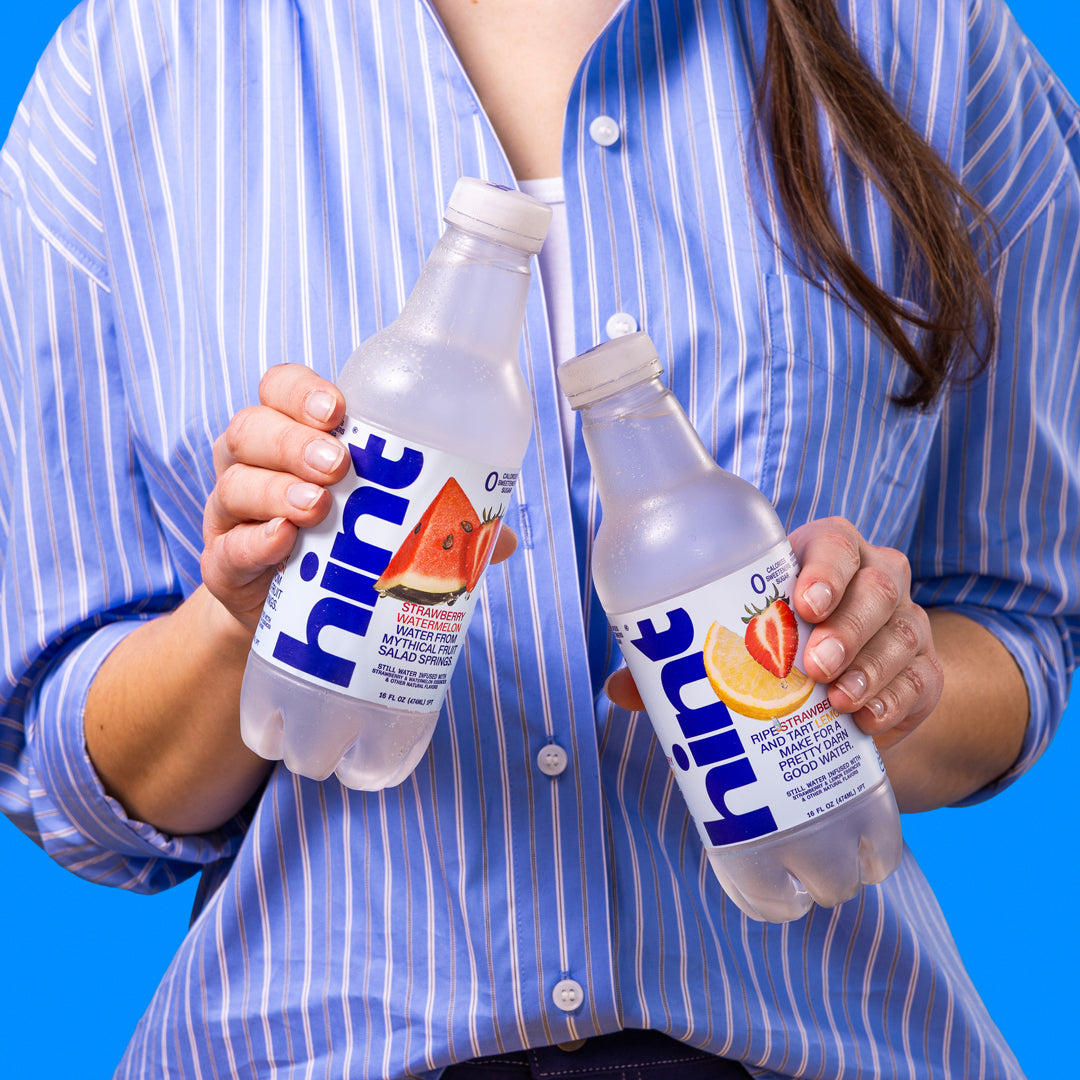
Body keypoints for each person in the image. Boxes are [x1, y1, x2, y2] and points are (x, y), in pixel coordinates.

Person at [0, 0, 1076, 1077]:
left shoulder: (936, 34)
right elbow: (83, 792)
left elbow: (1022, 617)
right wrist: (250, 617)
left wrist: (881, 682)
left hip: (822, 1037)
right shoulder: (135, 59)